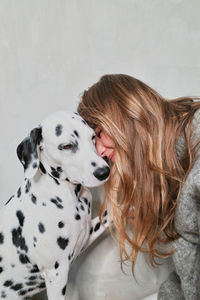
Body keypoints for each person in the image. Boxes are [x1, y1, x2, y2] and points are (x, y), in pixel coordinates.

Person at [77, 74, 200, 300]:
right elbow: (189, 279)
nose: (99, 152)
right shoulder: (175, 166)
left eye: (98, 134)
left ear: (124, 114)